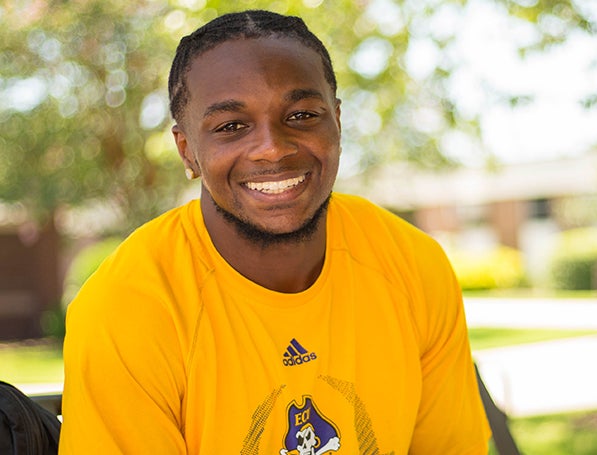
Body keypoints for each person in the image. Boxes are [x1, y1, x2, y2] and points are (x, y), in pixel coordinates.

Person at [60, 10, 490, 454]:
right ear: (187, 151)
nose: (272, 147)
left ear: (337, 123)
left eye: (302, 114)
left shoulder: (412, 266)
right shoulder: (128, 308)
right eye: (231, 126)